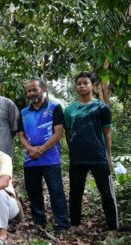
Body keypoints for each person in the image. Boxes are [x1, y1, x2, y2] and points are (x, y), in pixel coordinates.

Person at [64, 72, 119, 232]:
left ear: (92, 85)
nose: (82, 85)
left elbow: (107, 133)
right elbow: (68, 133)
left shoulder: (102, 108)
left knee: (107, 194)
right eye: (79, 83)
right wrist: (73, 150)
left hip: (98, 157)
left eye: (85, 83)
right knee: (75, 193)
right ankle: (75, 225)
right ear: (75, 86)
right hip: (77, 159)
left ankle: (112, 229)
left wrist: (109, 157)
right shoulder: (70, 109)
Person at [18, 79, 70, 232]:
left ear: (44, 89)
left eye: (34, 89)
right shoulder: (23, 112)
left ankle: (62, 224)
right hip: (30, 159)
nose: (31, 93)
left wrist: (40, 149)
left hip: (50, 158)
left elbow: (58, 132)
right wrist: (30, 149)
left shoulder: (55, 108)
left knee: (56, 191)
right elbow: (21, 135)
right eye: (28, 91)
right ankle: (39, 222)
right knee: (33, 192)